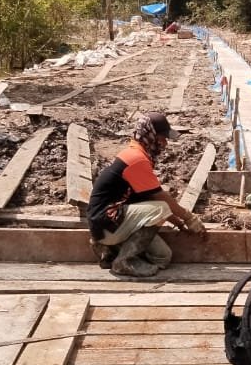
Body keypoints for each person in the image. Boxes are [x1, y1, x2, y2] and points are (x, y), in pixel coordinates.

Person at [87, 112, 204, 277]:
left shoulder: (138, 154)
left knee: (162, 257)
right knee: (161, 208)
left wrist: (177, 223)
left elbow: (148, 196)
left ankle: (112, 251)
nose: (165, 143)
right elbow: (160, 198)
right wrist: (188, 218)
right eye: (163, 138)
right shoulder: (136, 159)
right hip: (107, 222)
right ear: (151, 136)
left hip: (113, 222)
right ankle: (123, 262)